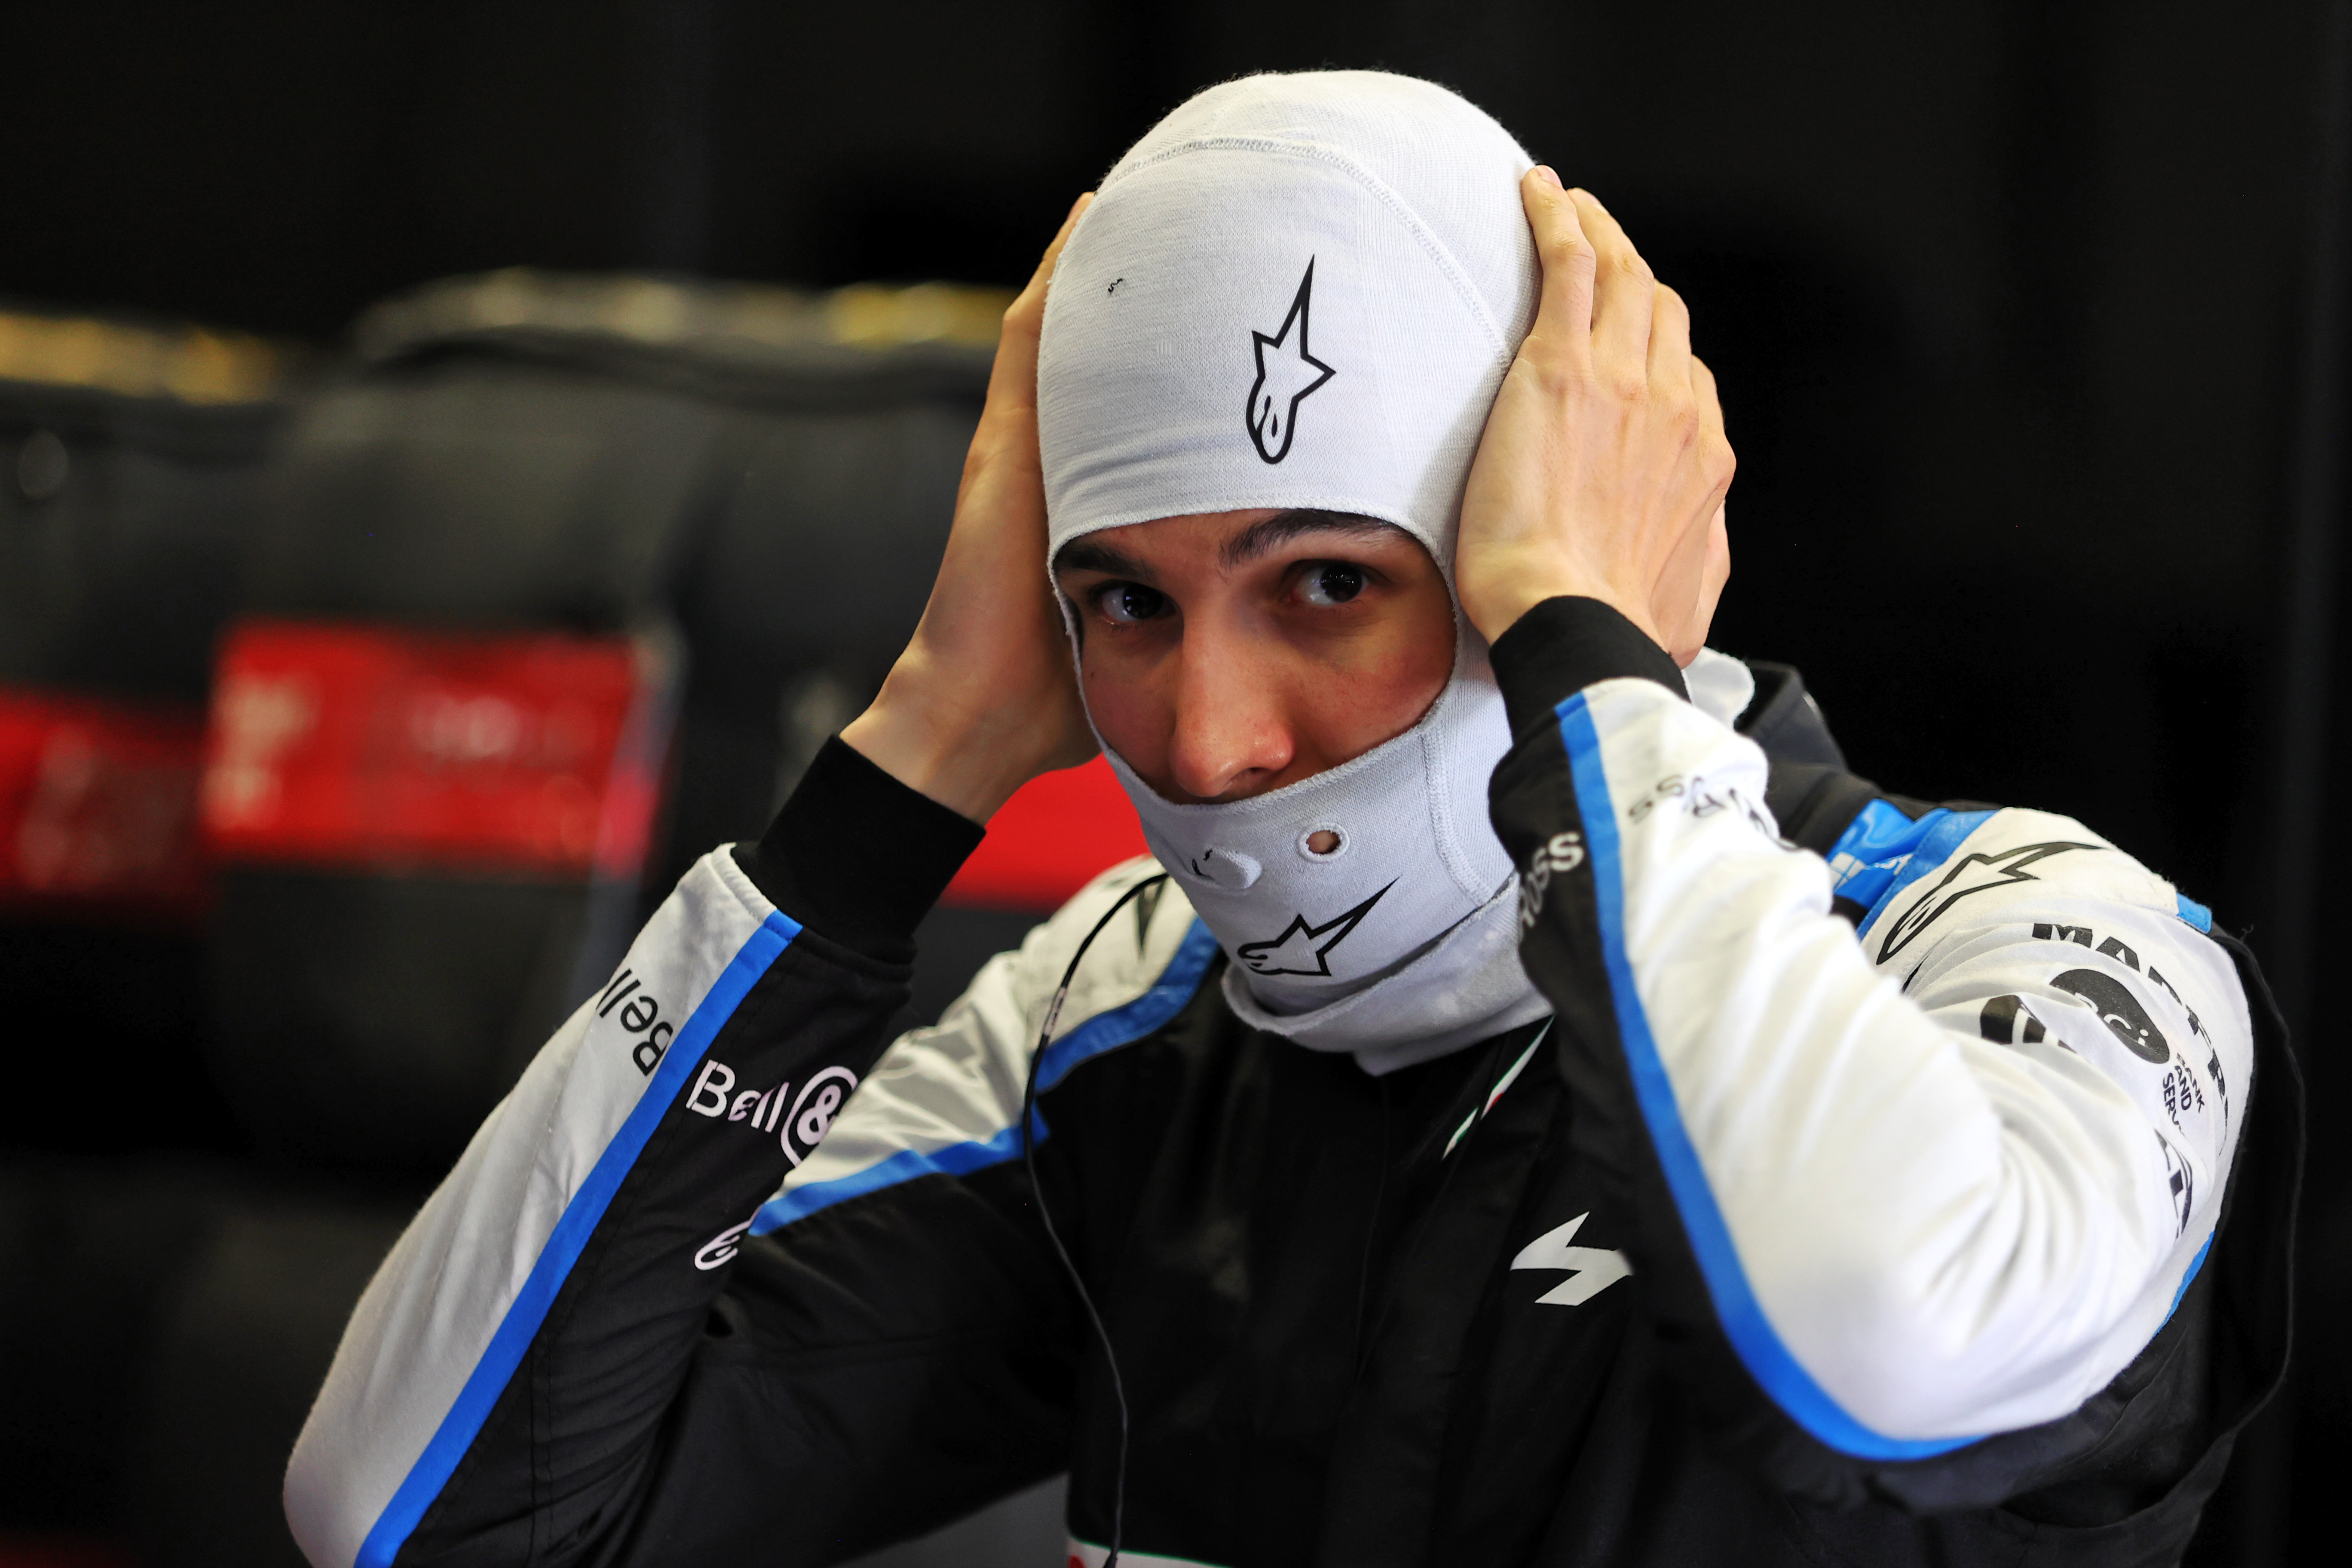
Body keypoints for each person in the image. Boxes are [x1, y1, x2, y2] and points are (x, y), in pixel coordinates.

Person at [284, 72, 2293, 1568]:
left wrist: (1601, 668)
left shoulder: (2035, 939)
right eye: (1125, 606)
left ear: (1544, 546)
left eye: (1328, 581)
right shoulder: (1113, 1028)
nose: (1211, 736)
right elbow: (417, 1515)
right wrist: (918, 757)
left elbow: (1880, 1344)